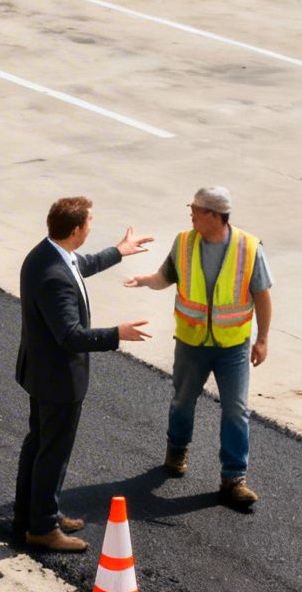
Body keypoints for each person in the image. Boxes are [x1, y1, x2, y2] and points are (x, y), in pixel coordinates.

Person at [123, 186, 274, 511]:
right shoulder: (185, 242)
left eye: (195, 209)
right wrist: (146, 280)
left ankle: (234, 479)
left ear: (214, 215)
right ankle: (176, 451)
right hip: (191, 343)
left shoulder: (248, 248)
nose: (190, 213)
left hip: (232, 347)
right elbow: (166, 277)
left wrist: (262, 338)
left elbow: (262, 294)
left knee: (236, 410)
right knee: (182, 401)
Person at [14, 198, 151, 552]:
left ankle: (31, 513)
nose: (91, 227)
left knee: (38, 444)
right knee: (52, 452)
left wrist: (119, 251)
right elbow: (70, 335)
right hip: (58, 380)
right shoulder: (55, 277)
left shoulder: (46, 253)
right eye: (89, 222)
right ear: (76, 231)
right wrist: (116, 334)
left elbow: (82, 265)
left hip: (40, 372)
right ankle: (42, 527)